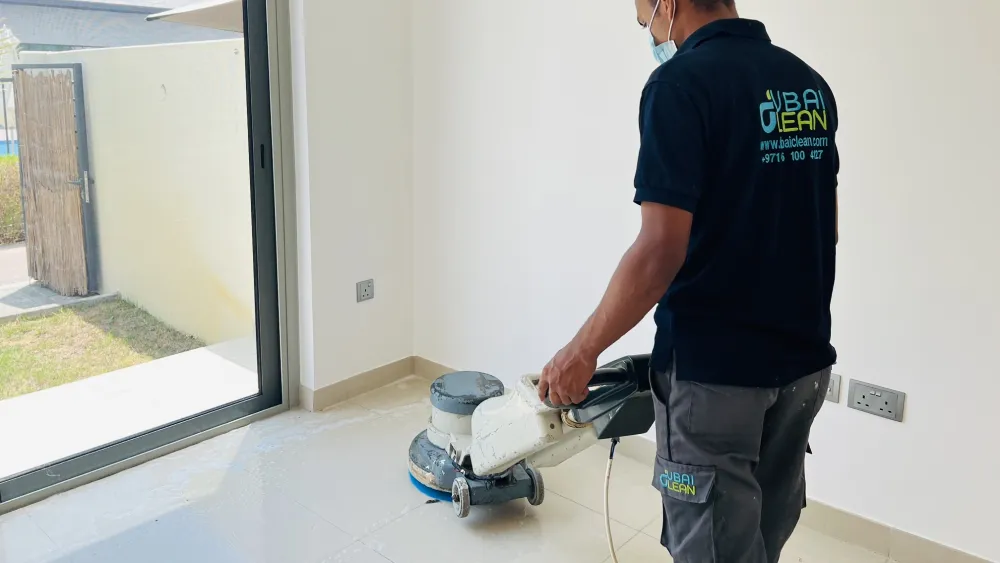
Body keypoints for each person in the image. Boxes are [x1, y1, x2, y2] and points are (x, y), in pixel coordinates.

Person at [535, 0, 839, 561]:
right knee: (761, 537)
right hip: (804, 368)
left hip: (715, 382)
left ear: (667, 4)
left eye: (645, 18)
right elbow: (826, 223)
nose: (649, 31)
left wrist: (581, 352)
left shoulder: (678, 85)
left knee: (714, 547)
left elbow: (658, 249)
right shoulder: (807, 84)